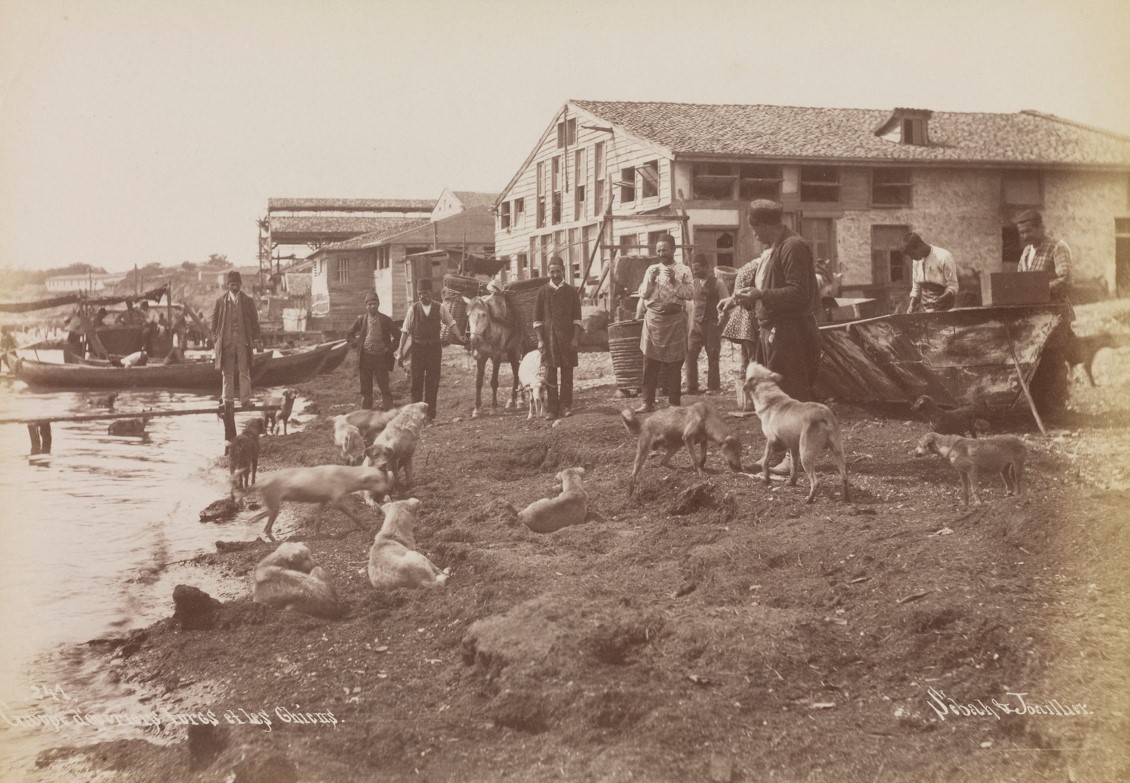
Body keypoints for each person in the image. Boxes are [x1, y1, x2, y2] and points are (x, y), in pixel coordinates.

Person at [721, 199, 820, 402]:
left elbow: (799, 293)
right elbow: (770, 287)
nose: (754, 235)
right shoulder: (776, 247)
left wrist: (761, 295)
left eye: (754, 229)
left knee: (791, 395)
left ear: (764, 226)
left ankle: (796, 433)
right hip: (776, 331)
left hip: (790, 334)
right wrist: (737, 299)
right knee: (777, 394)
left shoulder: (792, 247)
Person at [635, 233, 694, 413]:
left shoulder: (684, 270)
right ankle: (647, 402)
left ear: (673, 250)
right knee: (650, 362)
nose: (661, 253)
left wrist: (675, 280)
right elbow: (643, 294)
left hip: (674, 321)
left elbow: (690, 294)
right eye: (659, 250)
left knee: (674, 364)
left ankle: (674, 404)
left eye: (665, 250)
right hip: (653, 320)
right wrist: (651, 281)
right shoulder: (651, 269)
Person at [396, 279, 465, 422]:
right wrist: (400, 351)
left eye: (425, 293)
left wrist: (460, 336)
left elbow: (451, 323)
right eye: (419, 293)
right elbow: (405, 331)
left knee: (432, 383)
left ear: (431, 293)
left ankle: (429, 416)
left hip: (434, 350)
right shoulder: (413, 309)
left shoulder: (440, 308)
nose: (422, 296)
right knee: (416, 382)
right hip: (418, 350)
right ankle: (415, 416)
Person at [533, 256, 583, 419]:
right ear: (548, 272)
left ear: (563, 271)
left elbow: (577, 318)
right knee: (550, 374)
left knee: (567, 374)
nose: (555, 275)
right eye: (552, 272)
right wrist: (540, 339)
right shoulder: (542, 292)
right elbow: (537, 320)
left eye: (558, 271)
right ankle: (552, 409)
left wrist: (575, 338)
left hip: (567, 338)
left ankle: (565, 406)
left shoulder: (571, 292)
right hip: (549, 339)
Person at [210, 270, 260, 414]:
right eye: (232, 284)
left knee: (244, 371)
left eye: (237, 284)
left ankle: (245, 400)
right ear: (228, 285)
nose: (234, 287)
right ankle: (228, 401)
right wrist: (216, 340)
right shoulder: (220, 302)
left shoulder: (247, 301)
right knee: (227, 373)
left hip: (243, 341)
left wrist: (256, 339)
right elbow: (213, 324)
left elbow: (255, 322)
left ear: (240, 285)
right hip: (226, 342)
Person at [1015, 210, 1074, 320]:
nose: (1025, 236)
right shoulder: (1026, 252)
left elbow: (1066, 279)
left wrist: (1039, 290)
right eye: (1022, 233)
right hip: (1032, 314)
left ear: (1041, 228)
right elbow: (1020, 280)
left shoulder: (1058, 247)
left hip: (1055, 313)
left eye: (1028, 231)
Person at [685, 254, 729, 395]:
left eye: (697, 269)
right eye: (693, 269)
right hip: (696, 326)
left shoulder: (718, 283)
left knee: (713, 356)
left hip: (711, 326)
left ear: (706, 267)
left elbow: (727, 304)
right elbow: (690, 304)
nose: (695, 272)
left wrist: (720, 324)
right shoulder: (694, 283)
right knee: (690, 355)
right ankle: (692, 387)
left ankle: (713, 387)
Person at [348, 291, 400, 410]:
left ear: (378, 305)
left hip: (381, 358)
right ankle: (366, 414)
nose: (372, 306)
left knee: (384, 387)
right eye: (370, 304)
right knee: (366, 390)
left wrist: (389, 349)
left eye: (375, 303)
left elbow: (399, 336)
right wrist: (357, 345)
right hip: (365, 358)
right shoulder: (361, 320)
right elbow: (349, 334)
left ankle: (389, 413)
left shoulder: (385, 319)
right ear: (366, 306)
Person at [720, 249, 769, 371]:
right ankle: (752, 378)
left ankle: (745, 374)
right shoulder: (757, 269)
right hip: (749, 313)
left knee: (747, 350)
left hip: (745, 311)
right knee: (754, 353)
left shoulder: (748, 267)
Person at [903, 232, 958, 312]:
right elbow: (917, 285)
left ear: (919, 246)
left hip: (945, 307)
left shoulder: (943, 257)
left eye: (912, 254)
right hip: (926, 308)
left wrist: (940, 299)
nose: (912, 258)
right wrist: (911, 306)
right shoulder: (917, 260)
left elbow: (953, 286)